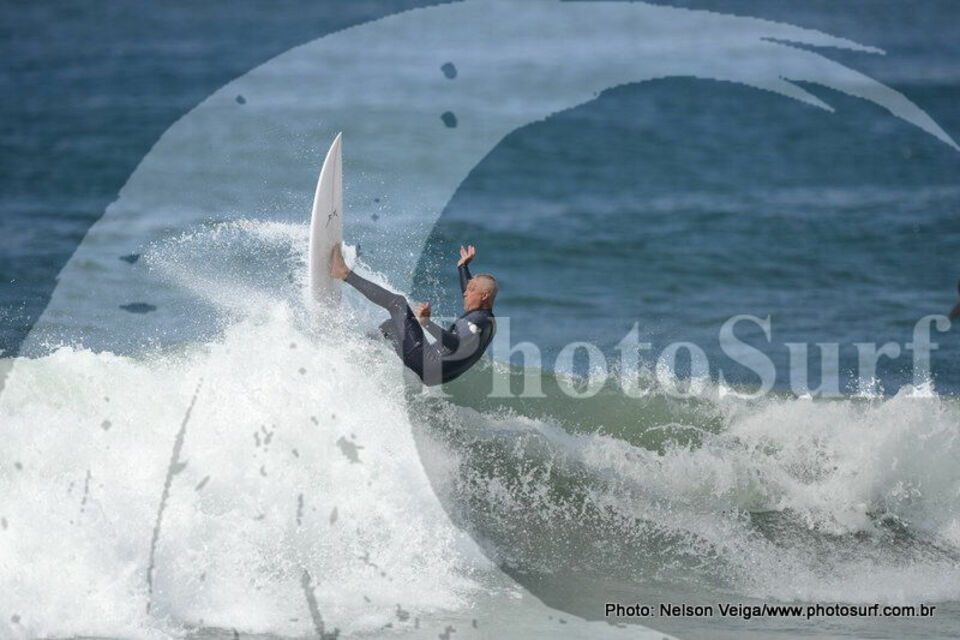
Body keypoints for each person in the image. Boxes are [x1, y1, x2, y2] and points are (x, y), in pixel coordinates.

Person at [330, 243, 497, 385]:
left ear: (484, 296)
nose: (465, 293)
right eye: (467, 289)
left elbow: (457, 345)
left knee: (398, 303)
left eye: (471, 290)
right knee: (391, 326)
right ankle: (355, 354)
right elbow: (472, 291)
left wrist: (427, 323)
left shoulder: (477, 324)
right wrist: (463, 267)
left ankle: (343, 273)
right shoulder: (485, 317)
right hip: (434, 373)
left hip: (428, 362)